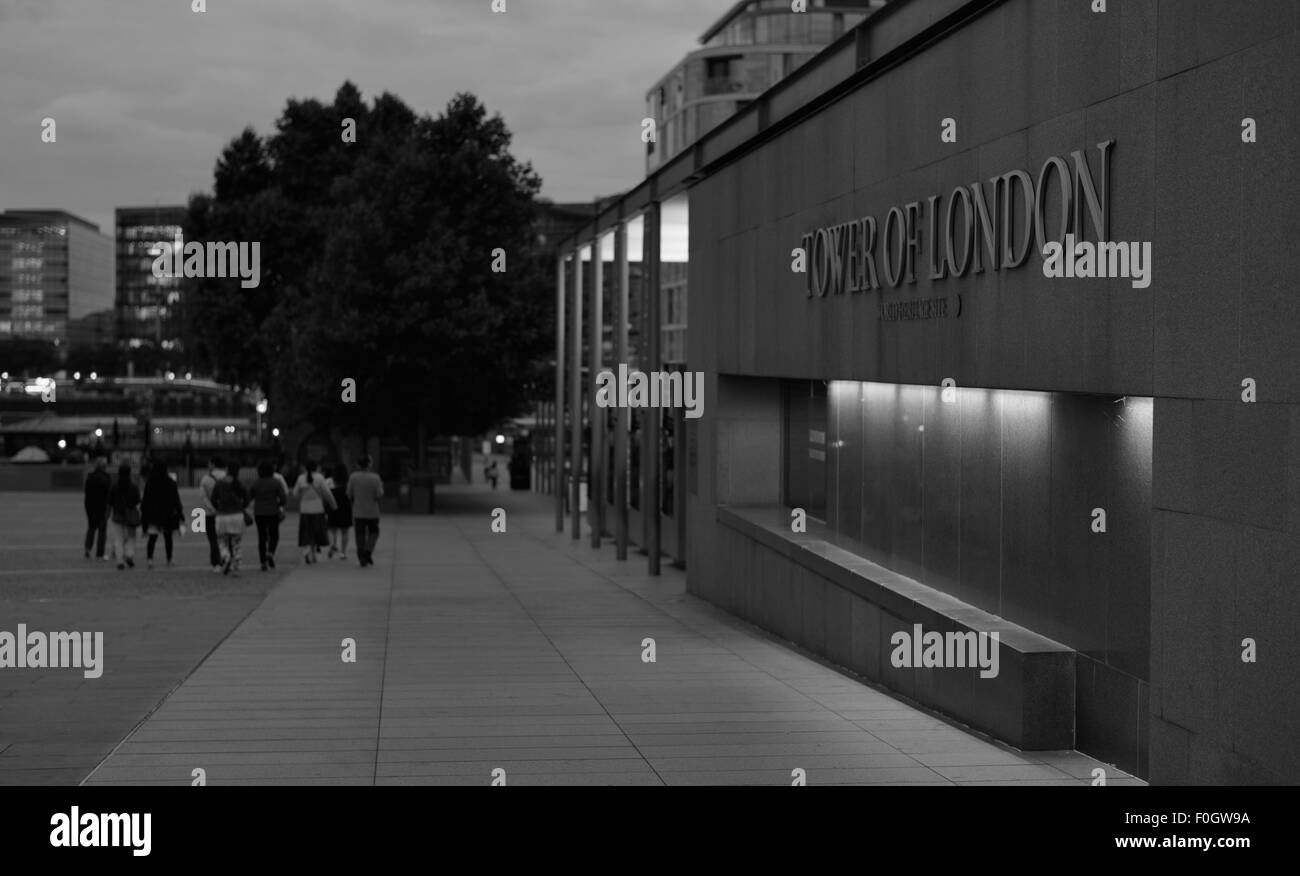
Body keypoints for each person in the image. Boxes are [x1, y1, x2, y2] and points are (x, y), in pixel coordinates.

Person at [141, 459, 183, 568]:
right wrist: (180, 512)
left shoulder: (150, 482)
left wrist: (144, 514)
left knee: (152, 538)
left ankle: (150, 560)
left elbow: (145, 500)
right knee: (168, 538)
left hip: (153, 515)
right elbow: (176, 499)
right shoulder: (170, 482)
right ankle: (169, 559)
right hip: (167, 515)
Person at [210, 462, 250, 576]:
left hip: (222, 515)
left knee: (222, 541)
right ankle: (236, 564)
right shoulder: (240, 484)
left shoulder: (220, 483)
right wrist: (241, 507)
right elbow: (247, 499)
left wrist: (219, 507)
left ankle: (226, 557)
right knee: (236, 542)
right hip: (237, 516)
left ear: (227, 470)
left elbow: (213, 499)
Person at [294, 460, 334, 565]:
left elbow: (295, 493)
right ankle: (314, 555)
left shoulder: (300, 478)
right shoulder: (320, 478)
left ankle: (307, 551)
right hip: (317, 508)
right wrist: (333, 504)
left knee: (307, 532)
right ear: (316, 468)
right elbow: (327, 493)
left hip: (304, 509)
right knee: (316, 533)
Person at [249, 460, 288, 571]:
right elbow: (283, 498)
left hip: (259, 513)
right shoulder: (276, 482)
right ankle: (270, 552)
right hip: (273, 512)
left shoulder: (256, 483)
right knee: (274, 535)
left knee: (262, 537)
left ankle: (262, 562)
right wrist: (278, 504)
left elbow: (250, 496)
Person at [347, 455, 384, 567]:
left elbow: (349, 494)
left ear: (358, 465)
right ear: (369, 464)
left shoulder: (353, 477)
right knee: (374, 532)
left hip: (358, 511)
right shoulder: (375, 478)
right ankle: (368, 551)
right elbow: (379, 494)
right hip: (372, 511)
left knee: (360, 534)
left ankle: (361, 556)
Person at [106, 462, 141, 571]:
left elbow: (110, 502)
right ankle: (129, 555)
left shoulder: (114, 486)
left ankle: (120, 561)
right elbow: (137, 500)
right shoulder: (133, 486)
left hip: (117, 516)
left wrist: (108, 514)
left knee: (118, 539)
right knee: (131, 537)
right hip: (130, 515)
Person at [199, 456, 226, 573]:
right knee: (225, 537)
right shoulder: (227, 477)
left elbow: (203, 498)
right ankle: (226, 557)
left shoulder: (205, 479)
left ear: (213, 464)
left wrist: (212, 508)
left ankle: (216, 562)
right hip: (225, 512)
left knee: (213, 539)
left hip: (210, 514)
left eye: (209, 463)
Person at [83, 457, 112, 560]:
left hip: (91, 508)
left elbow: (86, 494)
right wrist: (109, 509)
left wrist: (87, 508)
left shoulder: (90, 477)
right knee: (102, 531)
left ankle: (87, 549)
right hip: (102, 508)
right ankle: (100, 554)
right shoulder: (106, 478)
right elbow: (109, 496)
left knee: (91, 528)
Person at [327, 463, 353, 560]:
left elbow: (326, 494)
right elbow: (351, 495)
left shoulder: (330, 481)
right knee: (345, 531)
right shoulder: (348, 482)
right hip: (345, 507)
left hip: (333, 506)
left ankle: (333, 544)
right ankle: (343, 552)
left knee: (332, 529)